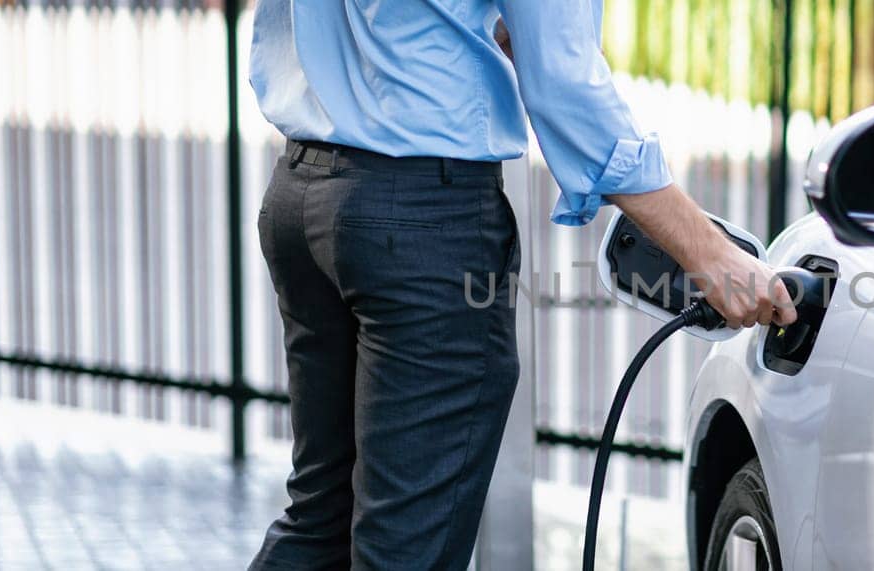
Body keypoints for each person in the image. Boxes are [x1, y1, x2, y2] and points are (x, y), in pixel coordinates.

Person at [245, 1, 797, 568]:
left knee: (319, 519)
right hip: (419, 222)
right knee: (403, 548)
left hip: (301, 193)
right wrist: (711, 255)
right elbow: (567, 84)